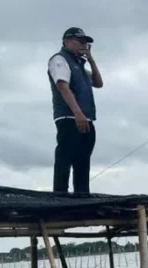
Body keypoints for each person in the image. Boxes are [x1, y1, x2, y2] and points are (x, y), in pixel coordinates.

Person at [48, 27, 103, 194]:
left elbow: (98, 82)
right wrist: (77, 113)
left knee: (83, 159)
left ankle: (82, 193)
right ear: (68, 41)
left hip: (86, 118)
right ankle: (60, 194)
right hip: (69, 117)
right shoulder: (60, 59)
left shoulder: (79, 64)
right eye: (81, 41)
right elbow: (62, 86)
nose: (84, 45)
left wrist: (91, 60)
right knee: (65, 157)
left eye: (86, 43)